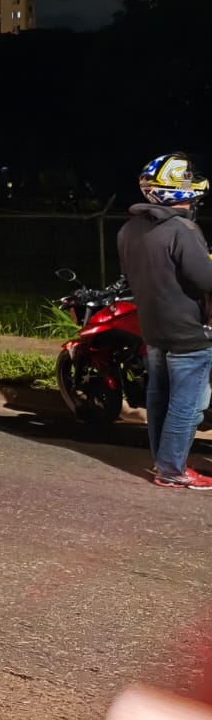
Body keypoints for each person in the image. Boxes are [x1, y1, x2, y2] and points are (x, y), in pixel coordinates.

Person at [117, 152, 212, 489]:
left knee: (159, 398)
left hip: (153, 328)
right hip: (188, 332)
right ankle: (173, 470)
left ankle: (164, 461)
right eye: (187, 179)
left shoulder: (129, 229)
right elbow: (206, 280)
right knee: (188, 405)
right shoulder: (183, 230)